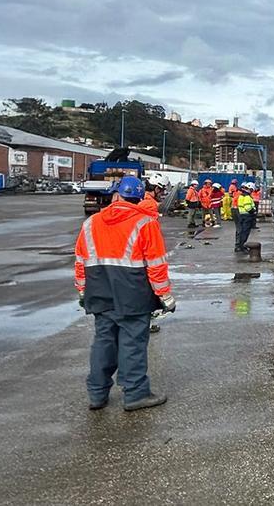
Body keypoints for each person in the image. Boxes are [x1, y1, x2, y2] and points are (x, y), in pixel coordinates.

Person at [74, 176, 175, 411]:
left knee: (103, 342)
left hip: (99, 290)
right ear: (139, 199)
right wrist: (165, 296)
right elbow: (156, 265)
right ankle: (136, 394)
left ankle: (97, 394)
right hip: (133, 294)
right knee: (132, 344)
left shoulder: (91, 223)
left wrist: (82, 290)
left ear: (116, 195)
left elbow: (81, 261)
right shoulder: (145, 223)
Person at [234, 184, 257, 252]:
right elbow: (248, 207)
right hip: (247, 216)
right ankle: (242, 246)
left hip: (241, 215)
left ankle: (239, 246)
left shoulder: (241, 195)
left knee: (241, 231)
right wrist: (253, 211)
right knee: (245, 232)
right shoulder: (247, 197)